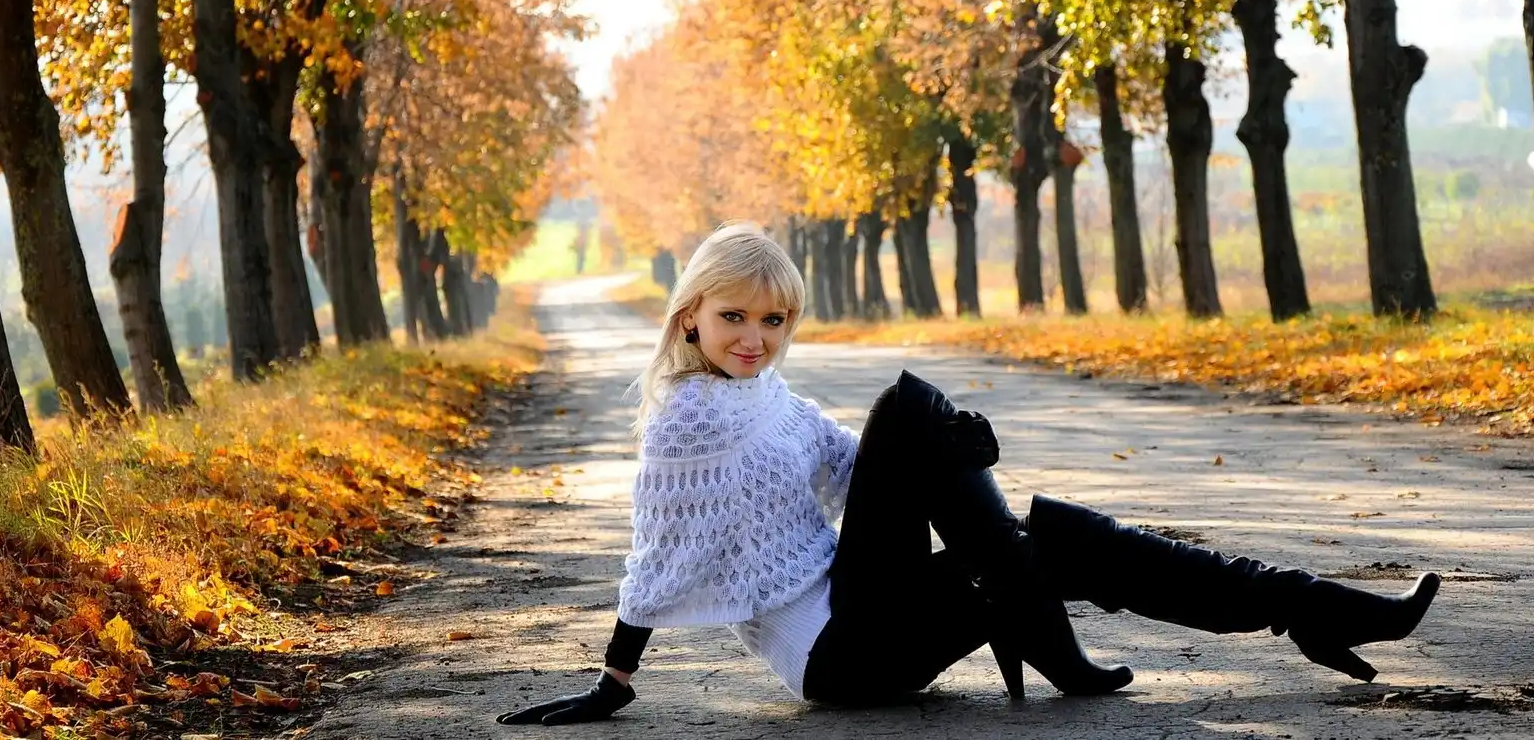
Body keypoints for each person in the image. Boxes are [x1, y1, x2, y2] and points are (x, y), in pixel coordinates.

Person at [497, 222, 1440, 725]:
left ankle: (1304, 606)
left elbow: (856, 469)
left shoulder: (768, 397)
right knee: (914, 409)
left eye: (775, 322)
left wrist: (947, 456)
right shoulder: (688, 419)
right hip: (837, 657)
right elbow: (654, 557)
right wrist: (615, 681)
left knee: (1056, 540)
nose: (756, 340)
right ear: (690, 316)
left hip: (871, 616)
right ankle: (1054, 637)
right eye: (736, 318)